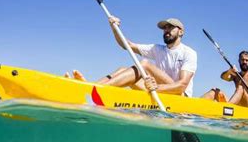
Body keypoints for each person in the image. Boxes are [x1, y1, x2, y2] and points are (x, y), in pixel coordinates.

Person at [65, 17, 198, 97]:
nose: (166, 30)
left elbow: (181, 86)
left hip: (179, 96)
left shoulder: (189, 53)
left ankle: (96, 91)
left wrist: (157, 88)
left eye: (171, 28)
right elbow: (126, 45)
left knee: (144, 64)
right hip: (158, 90)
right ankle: (88, 87)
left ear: (180, 31)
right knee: (123, 69)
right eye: (165, 28)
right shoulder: (157, 49)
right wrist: (114, 28)